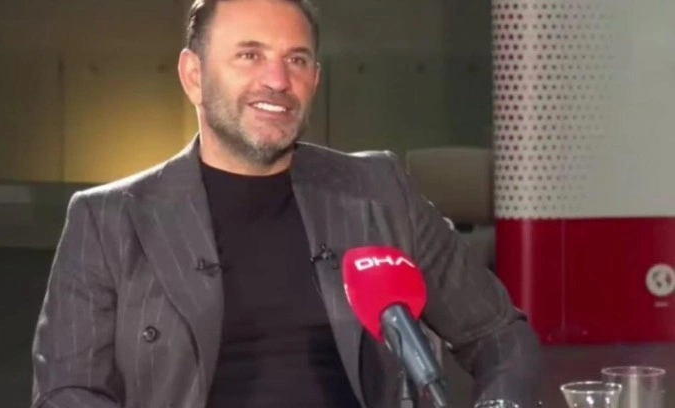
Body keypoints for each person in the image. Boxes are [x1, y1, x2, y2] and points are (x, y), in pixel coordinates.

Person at [30, 0, 541, 407]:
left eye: (296, 60)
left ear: (315, 78)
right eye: (249, 55)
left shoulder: (379, 191)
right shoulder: (109, 220)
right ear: (193, 75)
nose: (277, 81)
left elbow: (498, 333)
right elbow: (68, 391)